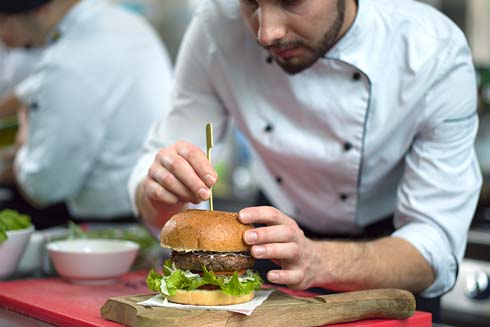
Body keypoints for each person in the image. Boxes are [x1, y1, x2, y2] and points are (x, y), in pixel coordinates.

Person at [128, 0, 482, 319]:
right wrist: (158, 190)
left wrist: (319, 261)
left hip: (391, 258)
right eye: (250, 3)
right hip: (270, 248)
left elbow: (435, 244)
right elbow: (157, 192)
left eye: (291, 1)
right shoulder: (214, 28)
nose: (267, 32)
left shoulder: (433, 49)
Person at [0, 0, 173, 228]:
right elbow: (40, 86)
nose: (3, 37)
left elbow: (44, 187)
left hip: (108, 225)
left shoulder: (68, 62)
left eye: (4, 22)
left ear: (40, 9)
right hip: (147, 209)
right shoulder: (122, 23)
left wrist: (23, 146)